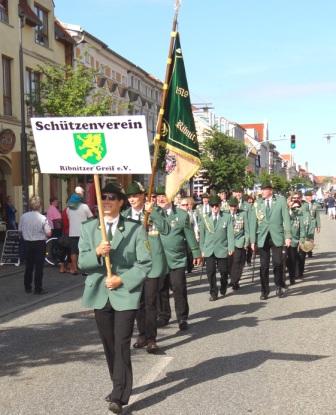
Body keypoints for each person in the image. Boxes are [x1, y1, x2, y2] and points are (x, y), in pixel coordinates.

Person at [78, 183, 152, 414]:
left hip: (125, 293)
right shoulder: (89, 228)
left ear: (121, 202)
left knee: (121, 343)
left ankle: (120, 395)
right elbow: (82, 263)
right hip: (100, 293)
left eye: (111, 197)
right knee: (109, 344)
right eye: (103, 197)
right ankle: (116, 383)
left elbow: (145, 263)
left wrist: (122, 279)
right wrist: (97, 254)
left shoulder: (134, 228)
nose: (107, 201)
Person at [122, 181, 168, 353]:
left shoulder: (155, 211)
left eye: (135, 195)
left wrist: (153, 213)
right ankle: (141, 335)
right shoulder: (125, 215)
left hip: (152, 264)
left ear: (143, 196)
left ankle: (151, 338)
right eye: (130, 196)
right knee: (138, 302)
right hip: (133, 265)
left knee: (150, 302)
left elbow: (165, 229)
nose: (132, 199)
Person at [156, 186, 202, 330]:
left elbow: (189, 235)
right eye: (158, 196)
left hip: (177, 258)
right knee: (161, 288)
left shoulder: (181, 215)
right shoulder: (151, 214)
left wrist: (196, 252)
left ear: (171, 197)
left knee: (179, 288)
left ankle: (182, 318)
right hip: (158, 260)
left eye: (164, 195)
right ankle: (163, 315)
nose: (161, 198)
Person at [249, 181, 291, 299]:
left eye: (264, 189)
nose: (262, 191)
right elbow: (253, 223)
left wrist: (287, 236)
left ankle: (278, 286)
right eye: (261, 189)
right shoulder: (257, 203)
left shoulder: (280, 201)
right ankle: (264, 290)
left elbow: (286, 219)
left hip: (276, 236)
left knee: (278, 263)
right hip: (262, 237)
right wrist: (253, 241)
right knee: (264, 266)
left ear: (270, 191)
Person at [199, 194, 235, 301]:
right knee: (210, 272)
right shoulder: (205, 218)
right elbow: (202, 235)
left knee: (224, 271)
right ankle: (213, 292)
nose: (214, 208)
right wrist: (202, 249)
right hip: (209, 249)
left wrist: (231, 247)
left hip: (222, 248)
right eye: (212, 206)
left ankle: (223, 286)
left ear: (220, 205)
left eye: (216, 205)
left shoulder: (226, 217)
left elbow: (230, 233)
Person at [19, 196, 51, 294]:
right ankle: (38, 288)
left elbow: (20, 230)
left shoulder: (23, 216)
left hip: (27, 243)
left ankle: (27, 287)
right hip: (39, 243)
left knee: (28, 266)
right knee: (39, 267)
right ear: (39, 206)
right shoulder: (42, 218)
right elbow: (49, 233)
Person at [67, 192, 93, 274]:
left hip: (72, 233)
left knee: (73, 251)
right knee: (83, 251)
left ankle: (74, 269)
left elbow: (69, 219)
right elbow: (91, 218)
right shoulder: (85, 207)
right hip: (83, 232)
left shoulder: (68, 208)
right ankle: (84, 270)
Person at [227, 197, 249, 291]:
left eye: (235, 206)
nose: (233, 208)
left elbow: (247, 229)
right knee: (229, 263)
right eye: (231, 206)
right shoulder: (225, 214)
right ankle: (233, 278)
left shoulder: (242, 214)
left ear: (237, 206)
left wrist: (246, 242)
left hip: (239, 241)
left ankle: (235, 280)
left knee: (237, 262)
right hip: (228, 242)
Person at [286, 195, 305, 285]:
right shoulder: (286, 214)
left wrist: (301, 239)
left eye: (297, 207)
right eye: (294, 207)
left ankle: (292, 277)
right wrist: (289, 208)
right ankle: (285, 276)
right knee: (285, 260)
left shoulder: (300, 215)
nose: (296, 208)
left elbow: (302, 228)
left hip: (294, 240)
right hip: (285, 240)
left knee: (292, 259)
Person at [302, 190, 321, 258]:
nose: (309, 197)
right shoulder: (302, 203)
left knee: (311, 237)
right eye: (308, 196)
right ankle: (304, 250)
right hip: (304, 223)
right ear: (305, 197)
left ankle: (310, 250)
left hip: (312, 223)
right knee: (304, 237)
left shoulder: (314, 204)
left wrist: (318, 226)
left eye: (310, 196)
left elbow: (317, 215)